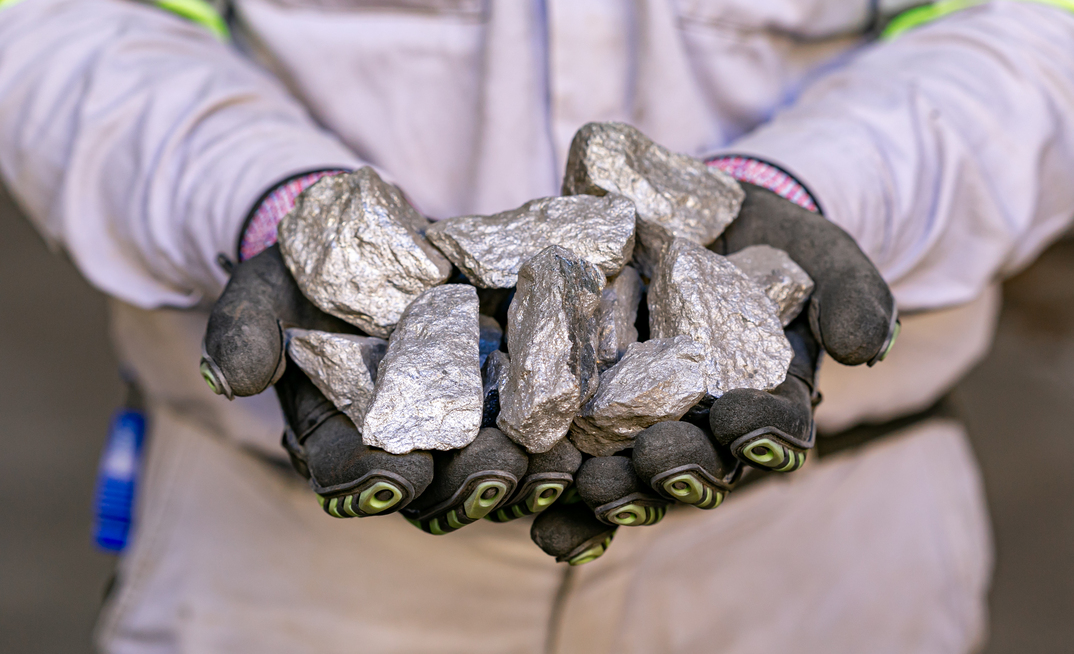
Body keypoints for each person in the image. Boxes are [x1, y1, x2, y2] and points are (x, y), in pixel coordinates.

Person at [1, 0, 1072, 651]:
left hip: (824, 548)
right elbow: (64, 33)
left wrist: (806, 192)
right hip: (284, 561)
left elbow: (1032, 37)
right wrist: (272, 205)